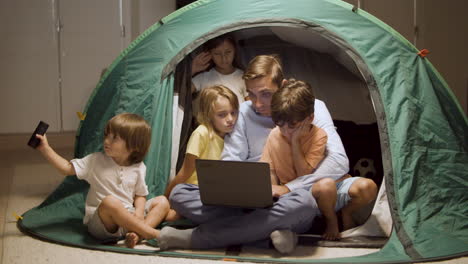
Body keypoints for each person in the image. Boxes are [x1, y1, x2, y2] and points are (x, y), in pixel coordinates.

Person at [222, 55, 378, 240]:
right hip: (264, 193)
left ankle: (227, 233)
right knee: (186, 194)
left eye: (265, 94)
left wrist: (289, 187)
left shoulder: (311, 108)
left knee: (306, 203)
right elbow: (230, 163)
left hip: (309, 188)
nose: (257, 104)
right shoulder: (244, 113)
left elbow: (338, 161)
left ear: (283, 86)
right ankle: (274, 228)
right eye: (251, 94)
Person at [35, 113, 170, 248]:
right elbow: (66, 168)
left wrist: (139, 212)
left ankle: (137, 235)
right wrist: (45, 149)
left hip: (128, 220)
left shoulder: (139, 167)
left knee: (162, 201)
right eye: (106, 135)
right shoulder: (95, 160)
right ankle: (150, 233)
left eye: (114, 138)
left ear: (134, 145)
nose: (106, 141)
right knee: (110, 202)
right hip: (102, 223)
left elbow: (140, 194)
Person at [261, 79, 362, 240]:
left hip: (308, 188)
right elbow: (269, 169)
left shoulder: (318, 134)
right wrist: (271, 194)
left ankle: (332, 220)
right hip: (288, 194)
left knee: (327, 187)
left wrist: (295, 143)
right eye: (280, 125)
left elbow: (304, 174)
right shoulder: (275, 134)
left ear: (309, 119)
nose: (286, 131)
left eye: (292, 126)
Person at [165, 85, 239, 198]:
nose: (230, 119)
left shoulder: (234, 136)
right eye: (222, 115)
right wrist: (166, 197)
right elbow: (185, 172)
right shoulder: (202, 133)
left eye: (233, 113)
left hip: (216, 193)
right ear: (208, 115)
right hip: (192, 191)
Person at [191, 34, 248, 107]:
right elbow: (178, 94)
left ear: (235, 51)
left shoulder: (243, 77)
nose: (224, 58)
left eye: (228, 52)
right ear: (209, 54)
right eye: (217, 54)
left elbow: (250, 111)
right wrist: (192, 70)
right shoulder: (203, 77)